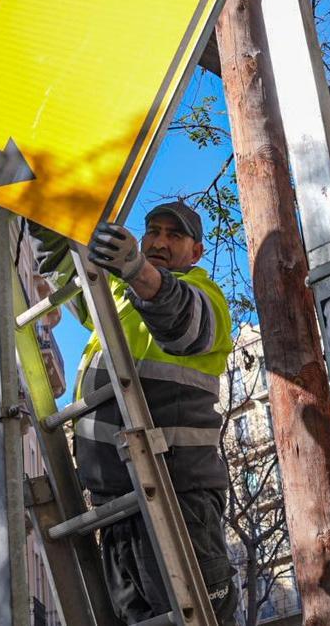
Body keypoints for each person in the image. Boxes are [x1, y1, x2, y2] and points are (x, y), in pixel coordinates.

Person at [30, 200, 236, 625]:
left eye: (173, 235)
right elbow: (63, 263)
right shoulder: (116, 302)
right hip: (119, 509)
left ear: (196, 252)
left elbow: (183, 319)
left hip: (177, 499)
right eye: (153, 231)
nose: (159, 242)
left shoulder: (205, 296)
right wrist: (39, 203)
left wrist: (138, 270)